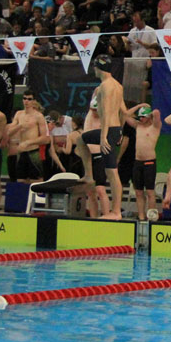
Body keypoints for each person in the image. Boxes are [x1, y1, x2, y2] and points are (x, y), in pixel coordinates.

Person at [75, 55, 126, 219]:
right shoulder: (118, 86)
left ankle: (116, 212)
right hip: (115, 130)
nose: (94, 70)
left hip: (108, 131)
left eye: (95, 67)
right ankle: (89, 174)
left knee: (112, 173)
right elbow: (124, 112)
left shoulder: (105, 86)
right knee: (81, 139)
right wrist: (120, 132)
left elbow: (105, 114)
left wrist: (103, 137)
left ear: (99, 67)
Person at [124, 103, 161, 220]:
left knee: (150, 192)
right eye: (140, 117)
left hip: (149, 163)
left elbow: (157, 113)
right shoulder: (138, 126)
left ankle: (151, 217)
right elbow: (125, 115)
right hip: (137, 163)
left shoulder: (155, 127)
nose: (141, 119)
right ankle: (141, 217)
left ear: (149, 117)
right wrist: (139, 105)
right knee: (138, 192)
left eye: (143, 117)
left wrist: (149, 110)